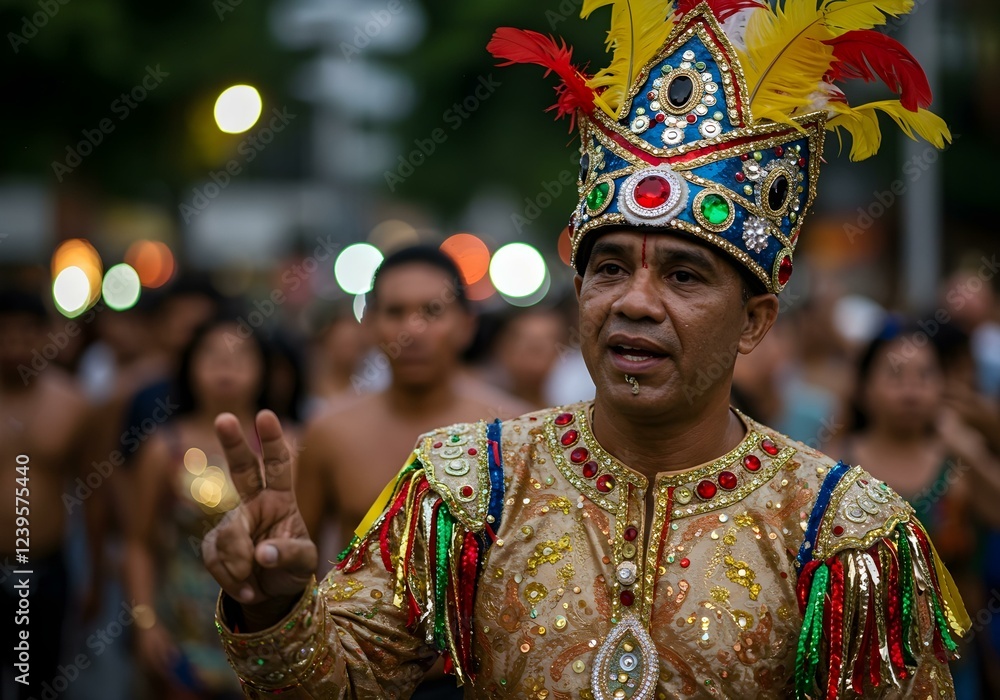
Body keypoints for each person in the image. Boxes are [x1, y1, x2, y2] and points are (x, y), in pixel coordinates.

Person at [202, 2, 969, 698]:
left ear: (755, 320)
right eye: (609, 269)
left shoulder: (844, 535)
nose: (635, 301)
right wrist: (273, 605)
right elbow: (341, 686)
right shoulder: (468, 487)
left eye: (683, 275)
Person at [294, 245, 529, 698]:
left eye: (432, 311)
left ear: (466, 324)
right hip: (360, 678)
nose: (413, 329)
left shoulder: (512, 432)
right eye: (396, 312)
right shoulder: (330, 432)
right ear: (369, 324)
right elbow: (302, 565)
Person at [832, 321, 1000, 697]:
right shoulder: (834, 466)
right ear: (863, 387)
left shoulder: (957, 467)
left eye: (925, 375)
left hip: (953, 665)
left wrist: (969, 448)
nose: (911, 389)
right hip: (863, 671)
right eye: (895, 375)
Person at [124, 313, 282, 699]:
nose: (226, 367)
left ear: (263, 368)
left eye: (240, 355)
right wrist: (145, 623)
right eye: (211, 355)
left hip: (264, 628)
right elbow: (137, 544)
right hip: (181, 624)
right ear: (189, 365)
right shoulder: (163, 447)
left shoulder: (286, 444)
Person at [0, 287, 89, 700]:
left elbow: (95, 493)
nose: (16, 345)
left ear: (45, 336)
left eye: (26, 333)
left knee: (42, 681)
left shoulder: (72, 402)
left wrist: (97, 574)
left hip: (48, 564)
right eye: (6, 334)